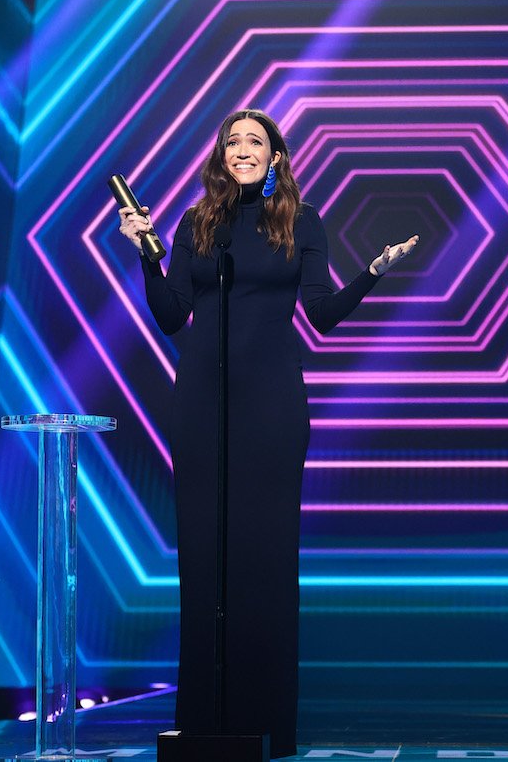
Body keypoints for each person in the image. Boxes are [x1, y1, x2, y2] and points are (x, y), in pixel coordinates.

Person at [118, 109, 418, 758]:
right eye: (234, 141)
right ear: (222, 155)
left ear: (277, 154)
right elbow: (173, 315)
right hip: (201, 401)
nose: (244, 149)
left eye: (256, 140)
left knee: (267, 561)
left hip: (272, 407)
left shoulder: (301, 222)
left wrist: (374, 270)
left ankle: (267, 725)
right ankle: (202, 721)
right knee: (203, 562)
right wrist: (146, 256)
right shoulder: (198, 222)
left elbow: (323, 313)